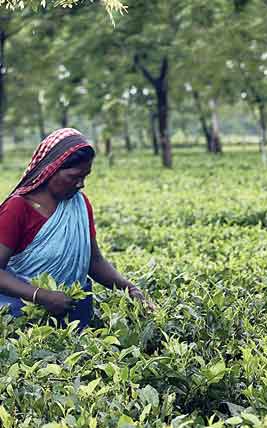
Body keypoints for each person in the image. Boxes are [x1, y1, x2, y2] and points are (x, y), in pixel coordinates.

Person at [0, 128, 154, 327]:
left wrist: (130, 288)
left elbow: (94, 261)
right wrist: (41, 296)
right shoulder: (18, 208)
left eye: (85, 176)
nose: (81, 184)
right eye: (74, 176)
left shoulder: (80, 204)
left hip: (75, 313)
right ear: (51, 169)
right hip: (23, 318)